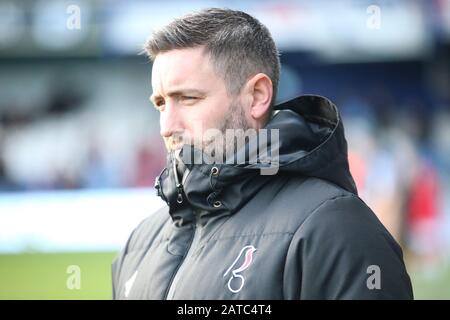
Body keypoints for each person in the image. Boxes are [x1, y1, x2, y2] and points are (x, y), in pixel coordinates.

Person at [112, 8, 413, 300]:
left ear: (256, 97)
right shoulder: (140, 243)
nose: (166, 127)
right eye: (161, 103)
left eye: (188, 98)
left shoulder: (335, 230)